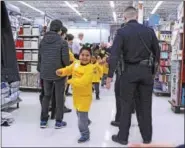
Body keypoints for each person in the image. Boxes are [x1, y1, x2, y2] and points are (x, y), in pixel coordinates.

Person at [106, 6, 160, 145]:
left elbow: (114, 55)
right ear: (136, 16)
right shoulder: (149, 31)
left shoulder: (122, 32)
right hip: (146, 72)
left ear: (124, 18)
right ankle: (147, 137)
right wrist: (153, 71)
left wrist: (109, 76)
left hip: (128, 73)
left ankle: (123, 137)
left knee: (126, 106)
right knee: (145, 106)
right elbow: (157, 52)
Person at [56, 46, 93, 143]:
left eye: (87, 55)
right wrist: (62, 71)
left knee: (81, 119)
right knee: (78, 113)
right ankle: (86, 121)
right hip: (76, 96)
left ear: (91, 57)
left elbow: (84, 82)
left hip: (85, 97)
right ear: (79, 55)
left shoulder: (90, 68)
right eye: (82, 55)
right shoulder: (76, 63)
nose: (84, 57)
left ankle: (85, 134)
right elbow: (68, 69)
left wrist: (70, 81)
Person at [37, 19, 70, 129]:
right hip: (59, 73)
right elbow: (65, 60)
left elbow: (40, 58)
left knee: (46, 96)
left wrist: (40, 70)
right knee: (59, 97)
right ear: (60, 30)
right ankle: (58, 122)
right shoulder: (63, 42)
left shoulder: (42, 41)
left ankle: (43, 121)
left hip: (45, 73)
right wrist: (66, 70)